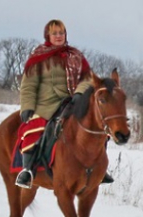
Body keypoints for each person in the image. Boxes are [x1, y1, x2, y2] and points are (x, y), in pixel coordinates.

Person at [16, 19, 113, 188]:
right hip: (45, 103)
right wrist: (27, 106)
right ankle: (28, 170)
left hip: (72, 101)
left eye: (61, 33)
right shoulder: (38, 57)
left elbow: (87, 78)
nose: (58, 36)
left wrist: (79, 93)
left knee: (98, 125)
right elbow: (29, 85)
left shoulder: (75, 55)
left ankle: (99, 168)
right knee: (34, 130)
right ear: (48, 35)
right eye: (55, 33)